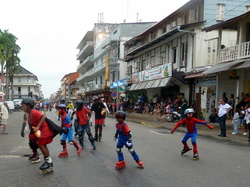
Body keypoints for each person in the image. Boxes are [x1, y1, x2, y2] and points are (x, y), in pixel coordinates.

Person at [21, 98, 55, 174]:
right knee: (40, 144)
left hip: (44, 129)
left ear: (28, 105)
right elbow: (31, 124)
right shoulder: (29, 114)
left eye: (23, 105)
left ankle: (49, 163)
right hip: (40, 131)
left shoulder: (33, 112)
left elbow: (44, 116)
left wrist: (38, 127)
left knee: (41, 145)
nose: (22, 107)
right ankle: (47, 161)